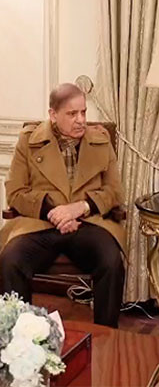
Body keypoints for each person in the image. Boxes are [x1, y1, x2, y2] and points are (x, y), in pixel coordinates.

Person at [0, 83, 125, 328]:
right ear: (53, 115)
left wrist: (80, 208)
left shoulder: (101, 140)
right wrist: (53, 213)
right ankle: (20, 337)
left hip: (88, 223)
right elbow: (15, 192)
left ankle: (107, 337)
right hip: (40, 223)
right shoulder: (29, 140)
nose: (81, 120)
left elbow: (115, 192)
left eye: (83, 112)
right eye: (72, 114)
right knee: (10, 261)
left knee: (111, 262)